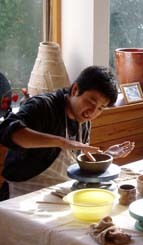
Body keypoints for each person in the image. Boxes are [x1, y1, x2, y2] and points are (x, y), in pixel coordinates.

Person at [0, 65, 135, 199]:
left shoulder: (84, 119)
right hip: (22, 195)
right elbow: (7, 130)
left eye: (100, 108)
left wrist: (106, 156)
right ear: (75, 89)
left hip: (58, 193)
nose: (93, 112)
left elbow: (75, 165)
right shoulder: (42, 106)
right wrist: (61, 142)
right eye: (91, 101)